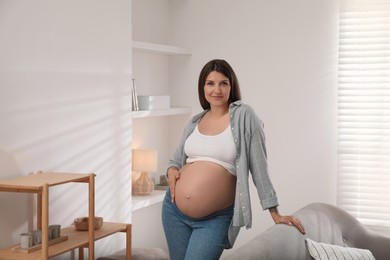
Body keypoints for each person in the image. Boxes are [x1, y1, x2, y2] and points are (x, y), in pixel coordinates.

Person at [161, 59, 305, 260]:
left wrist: (275, 213)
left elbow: (260, 168)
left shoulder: (245, 116)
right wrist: (172, 171)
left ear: (232, 86)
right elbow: (175, 161)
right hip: (173, 212)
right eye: (210, 83)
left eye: (223, 83)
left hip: (214, 219)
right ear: (202, 87)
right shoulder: (195, 121)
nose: (216, 89)